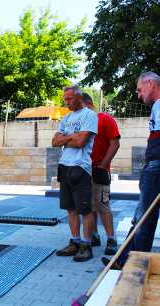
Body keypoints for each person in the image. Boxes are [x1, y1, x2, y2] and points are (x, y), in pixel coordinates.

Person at [103, 71, 160, 269]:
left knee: (144, 216)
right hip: (154, 165)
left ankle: (132, 262)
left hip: (156, 166)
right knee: (143, 215)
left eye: (139, 89)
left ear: (150, 83)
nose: (138, 94)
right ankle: (125, 258)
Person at [52, 85, 98, 262]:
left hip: (81, 167)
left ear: (79, 97)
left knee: (84, 209)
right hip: (65, 166)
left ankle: (86, 245)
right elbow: (55, 141)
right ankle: (75, 242)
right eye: (65, 99)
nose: (67, 102)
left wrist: (67, 138)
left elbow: (81, 142)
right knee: (70, 209)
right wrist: (72, 136)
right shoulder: (66, 118)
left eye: (70, 99)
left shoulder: (90, 116)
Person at [82, 93, 120, 255]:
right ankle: (94, 236)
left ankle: (111, 239)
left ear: (89, 104)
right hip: (84, 170)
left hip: (100, 169)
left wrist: (103, 165)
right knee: (90, 206)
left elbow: (115, 143)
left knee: (103, 205)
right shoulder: (82, 123)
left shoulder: (105, 119)